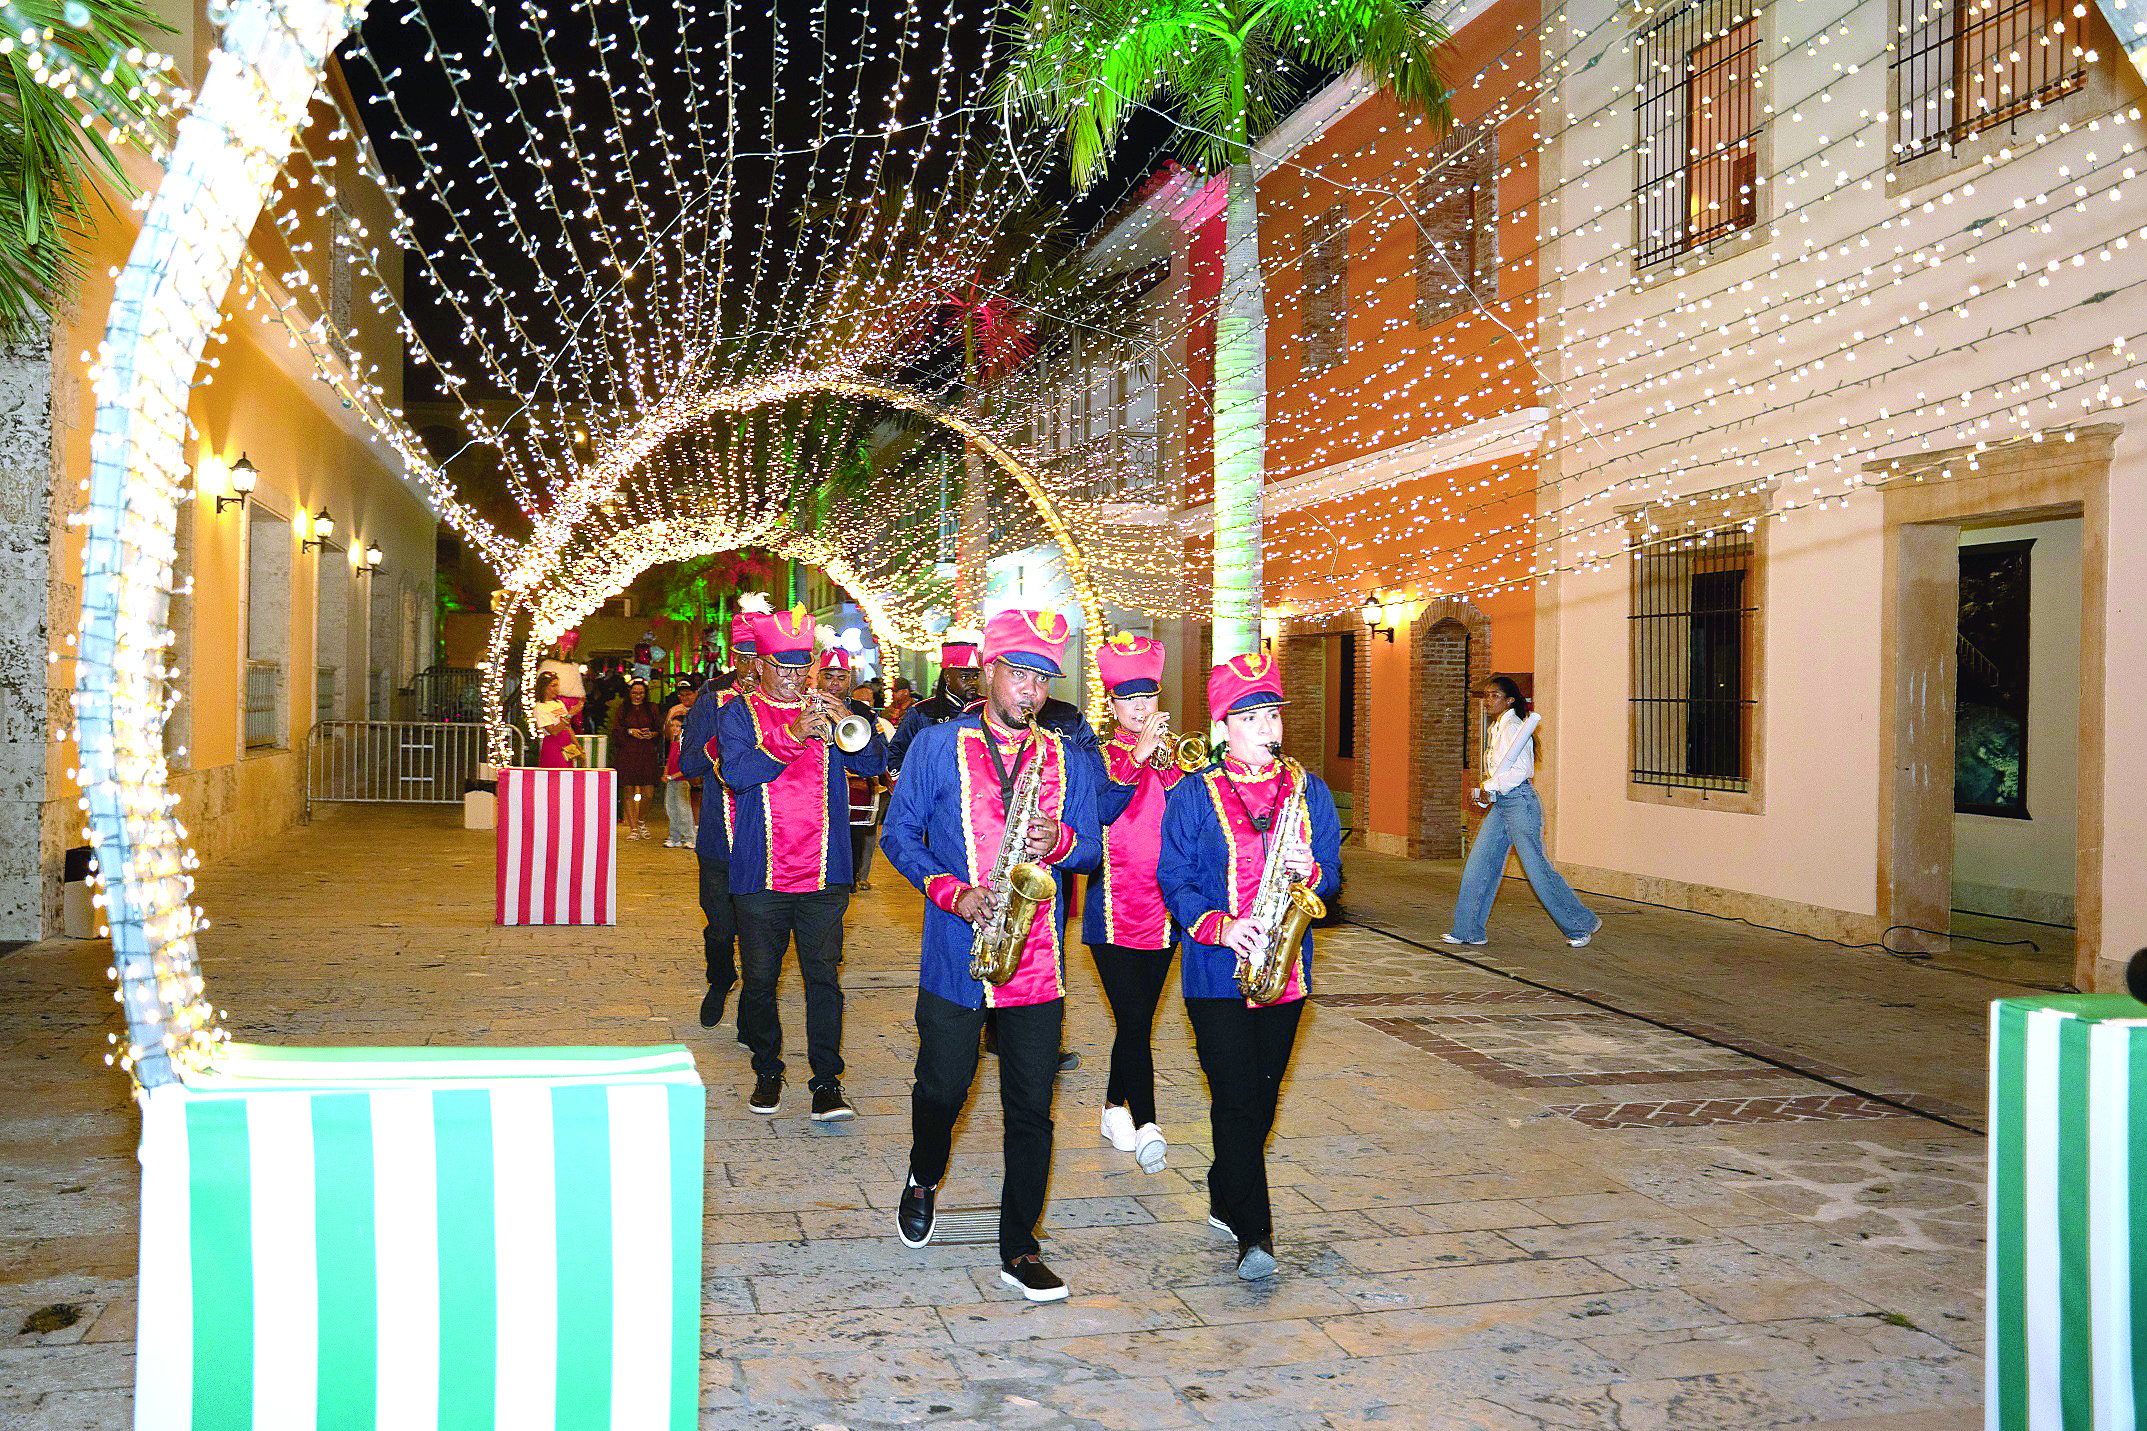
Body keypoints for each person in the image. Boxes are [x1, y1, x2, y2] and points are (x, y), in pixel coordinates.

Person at [879, 609, 1100, 1303]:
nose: (1031, 691)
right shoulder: (936, 746)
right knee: (942, 1088)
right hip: (955, 952)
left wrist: (1057, 841)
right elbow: (898, 835)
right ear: (988, 671)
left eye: (1041, 678)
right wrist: (953, 892)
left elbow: (1093, 849)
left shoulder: (1068, 756)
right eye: (1019, 674)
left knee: (1031, 1107)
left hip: (1036, 963)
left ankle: (1019, 1247)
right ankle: (923, 1172)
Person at [1160, 652, 1343, 1282]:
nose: (1269, 728)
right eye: (1253, 716)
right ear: (1222, 726)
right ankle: (1255, 1233)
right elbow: (1174, 879)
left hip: (1286, 969)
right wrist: (1222, 927)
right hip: (1215, 971)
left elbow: (1335, 876)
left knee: (1261, 1100)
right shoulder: (1192, 793)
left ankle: (1223, 1183)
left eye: (1273, 715)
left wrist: (1309, 873)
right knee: (1236, 1097)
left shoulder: (1308, 790)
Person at [717, 605, 888, 1120]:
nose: (793, 679)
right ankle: (768, 1070)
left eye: (800, 668)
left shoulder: (828, 707)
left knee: (823, 980)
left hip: (823, 874)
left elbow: (874, 763)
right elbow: (737, 773)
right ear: (763, 664)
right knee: (762, 980)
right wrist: (793, 738)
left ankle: (826, 1083)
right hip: (760, 875)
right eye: (782, 668)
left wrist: (851, 721)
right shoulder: (737, 712)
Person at [1084, 634, 1188, 1175]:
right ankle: (1147, 1123)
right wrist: (1137, 760)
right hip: (1112, 908)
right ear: (1113, 704)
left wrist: (1176, 769)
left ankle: (1111, 1109)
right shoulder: (1095, 755)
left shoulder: (1177, 759)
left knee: (1137, 1020)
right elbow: (1097, 811)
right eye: (1130, 700)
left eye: (1149, 698)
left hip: (1166, 907)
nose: (1142, 709)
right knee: (1132, 1016)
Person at [1444, 676, 1601, 950]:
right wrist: (1489, 792)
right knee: (1479, 866)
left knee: (1536, 869)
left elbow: (1520, 772)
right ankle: (1468, 931)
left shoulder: (1514, 726)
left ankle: (1581, 923)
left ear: (1510, 700)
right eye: (1486, 696)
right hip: (1503, 804)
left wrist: (1487, 787)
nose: (1488, 701)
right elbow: (1501, 772)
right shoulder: (1498, 728)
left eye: (1494, 696)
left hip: (1520, 804)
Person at [678, 605, 766, 1030]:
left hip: (767, 839)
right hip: (718, 832)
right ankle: (719, 977)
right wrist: (721, 749)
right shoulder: (712, 696)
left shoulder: (786, 700)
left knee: (759, 934)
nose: (752, 666)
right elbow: (689, 763)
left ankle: (753, 1005)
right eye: (744, 656)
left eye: (758, 655)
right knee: (719, 926)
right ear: (733, 657)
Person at [819, 649, 885, 892]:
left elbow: (876, 763)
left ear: (850, 679)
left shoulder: (862, 712)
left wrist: (849, 718)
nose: (834, 684)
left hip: (844, 799)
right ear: (818, 677)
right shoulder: (802, 705)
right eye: (828, 676)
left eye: (841, 678)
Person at [887, 630, 985, 771]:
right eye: (965, 677)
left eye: (975, 677)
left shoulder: (986, 708)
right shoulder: (922, 712)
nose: (972, 683)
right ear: (948, 678)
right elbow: (896, 754)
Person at [613, 678, 663, 837]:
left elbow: (659, 730)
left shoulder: (652, 708)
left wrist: (652, 734)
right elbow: (616, 730)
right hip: (628, 752)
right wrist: (630, 732)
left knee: (648, 792)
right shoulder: (623, 709)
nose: (637, 696)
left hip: (646, 752)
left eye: (641, 693)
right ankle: (633, 828)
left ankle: (641, 821)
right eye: (634, 693)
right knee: (628, 790)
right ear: (629, 693)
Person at [662, 681, 700, 849]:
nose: (684, 698)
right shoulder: (674, 740)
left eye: (688, 693)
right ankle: (675, 835)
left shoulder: (701, 708)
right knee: (672, 807)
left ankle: (690, 835)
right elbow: (670, 756)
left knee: (686, 806)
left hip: (685, 774)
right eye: (681, 694)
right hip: (673, 777)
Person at [530, 670, 578, 768]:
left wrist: (578, 748)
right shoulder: (540, 707)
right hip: (553, 745)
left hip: (567, 744)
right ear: (544, 687)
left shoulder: (559, 703)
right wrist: (570, 715)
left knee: (569, 775)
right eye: (553, 686)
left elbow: (568, 727)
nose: (556, 689)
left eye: (557, 686)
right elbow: (553, 731)